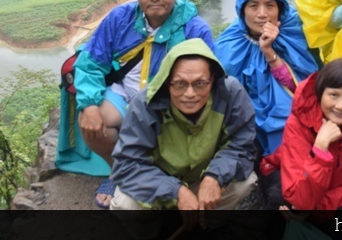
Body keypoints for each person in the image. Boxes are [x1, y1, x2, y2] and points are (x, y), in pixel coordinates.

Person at [70, 0, 213, 208]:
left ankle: (163, 177)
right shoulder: (119, 18)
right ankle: (119, 172)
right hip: (125, 94)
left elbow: (206, 82)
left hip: (168, 104)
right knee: (92, 122)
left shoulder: (194, 29)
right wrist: (89, 104)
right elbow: (91, 62)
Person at [109, 39, 257, 233]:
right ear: (167, 82)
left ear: (212, 80)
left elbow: (241, 144)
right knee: (125, 205)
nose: (189, 93)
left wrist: (215, 176)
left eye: (200, 84)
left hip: (203, 176)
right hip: (158, 182)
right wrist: (175, 191)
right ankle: (151, 231)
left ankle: (211, 222)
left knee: (246, 182)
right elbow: (127, 165)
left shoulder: (230, 92)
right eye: (179, 84)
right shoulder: (144, 105)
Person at [215, 0, 319, 160]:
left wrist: (269, 52)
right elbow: (221, 96)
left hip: (288, 122)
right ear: (242, 10)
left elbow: (305, 90)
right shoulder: (228, 43)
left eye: (270, 5)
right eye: (253, 5)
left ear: (280, 9)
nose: (262, 13)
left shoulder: (297, 33)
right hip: (242, 124)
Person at [260, 58, 342, 212]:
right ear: (320, 93)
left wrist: (320, 208)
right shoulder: (299, 120)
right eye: (334, 95)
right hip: (292, 178)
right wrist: (320, 148)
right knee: (282, 203)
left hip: (332, 193)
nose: (341, 106)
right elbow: (298, 196)